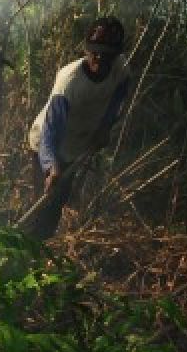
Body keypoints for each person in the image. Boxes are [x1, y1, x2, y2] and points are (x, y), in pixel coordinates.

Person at [21, 17, 132, 239]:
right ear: (87, 51)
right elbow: (50, 134)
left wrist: (105, 127)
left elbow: (119, 95)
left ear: (116, 55)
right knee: (43, 203)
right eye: (95, 52)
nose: (100, 58)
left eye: (107, 54)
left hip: (76, 145)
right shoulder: (69, 82)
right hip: (46, 144)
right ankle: (24, 250)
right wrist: (51, 166)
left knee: (56, 205)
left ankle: (41, 249)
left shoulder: (120, 70)